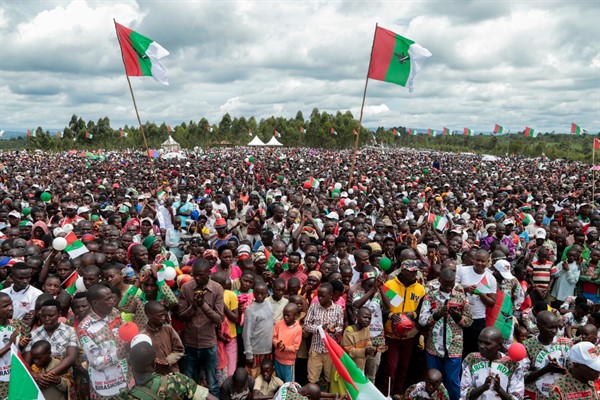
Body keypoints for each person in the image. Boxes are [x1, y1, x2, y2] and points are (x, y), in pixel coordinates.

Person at [418, 269, 472, 400]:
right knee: (433, 379)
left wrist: (458, 317)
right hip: (433, 346)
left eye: (451, 283)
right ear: (439, 281)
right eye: (446, 283)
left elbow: (469, 321)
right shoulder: (430, 296)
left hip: (454, 347)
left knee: (453, 380)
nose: (449, 286)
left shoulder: (461, 297)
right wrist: (436, 315)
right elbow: (422, 320)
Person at [77, 284, 134, 399]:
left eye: (112, 297)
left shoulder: (115, 313)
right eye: (107, 299)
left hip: (126, 377)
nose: (113, 301)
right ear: (95, 303)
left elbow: (124, 333)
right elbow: (96, 362)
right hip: (105, 386)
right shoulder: (85, 328)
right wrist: (122, 351)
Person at [178, 258, 224, 397]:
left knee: (212, 384)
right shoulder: (186, 288)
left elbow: (219, 319)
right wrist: (193, 307)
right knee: (189, 384)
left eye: (201, 275)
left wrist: (203, 305)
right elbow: (181, 316)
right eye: (195, 274)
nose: (197, 278)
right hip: (190, 343)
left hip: (208, 343)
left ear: (209, 273)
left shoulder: (217, 289)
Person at [120, 336, 216, 400]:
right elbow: (207, 397)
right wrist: (168, 373)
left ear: (129, 363)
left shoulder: (124, 396)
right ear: (154, 363)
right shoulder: (177, 381)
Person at [383, 260, 425, 394]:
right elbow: (381, 307)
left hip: (409, 334)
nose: (414, 274)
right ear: (404, 271)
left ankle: (398, 393)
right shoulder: (389, 285)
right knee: (391, 367)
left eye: (415, 271)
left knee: (403, 366)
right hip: (391, 334)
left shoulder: (420, 289)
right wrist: (390, 315)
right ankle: (386, 393)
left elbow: (422, 311)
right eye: (411, 271)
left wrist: (412, 314)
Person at [460, 327, 524, 400]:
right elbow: (464, 392)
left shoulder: (512, 364)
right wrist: (483, 388)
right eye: (480, 341)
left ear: (499, 344)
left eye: (487, 343)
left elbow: (518, 397)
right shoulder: (471, 359)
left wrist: (499, 390)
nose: (481, 346)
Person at [522, 311, 572, 399]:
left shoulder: (565, 343)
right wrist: (546, 369)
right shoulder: (527, 346)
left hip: (561, 394)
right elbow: (522, 377)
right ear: (539, 326)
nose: (554, 331)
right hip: (537, 395)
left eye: (556, 327)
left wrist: (563, 370)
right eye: (550, 328)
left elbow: (573, 369)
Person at [456, 249, 497, 356]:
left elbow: (492, 302)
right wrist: (466, 289)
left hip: (478, 319)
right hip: (460, 316)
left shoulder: (491, 278)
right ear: (473, 259)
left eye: (483, 261)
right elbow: (452, 289)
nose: (480, 263)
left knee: (474, 348)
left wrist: (480, 294)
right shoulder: (462, 270)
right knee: (459, 347)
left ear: (488, 262)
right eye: (477, 260)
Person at [303, 282, 344, 388]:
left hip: (330, 351)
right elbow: (306, 325)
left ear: (330, 295)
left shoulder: (338, 309)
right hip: (316, 349)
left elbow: (340, 327)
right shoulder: (313, 307)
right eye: (318, 295)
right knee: (312, 379)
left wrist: (333, 330)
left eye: (322, 296)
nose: (319, 298)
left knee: (329, 379)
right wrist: (319, 329)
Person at [140, 301, 184, 374]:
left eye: (164, 315)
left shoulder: (168, 329)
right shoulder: (143, 336)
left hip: (173, 372)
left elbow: (179, 350)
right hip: (155, 376)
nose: (163, 318)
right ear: (149, 315)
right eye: (160, 316)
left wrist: (167, 361)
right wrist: (155, 362)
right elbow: (142, 360)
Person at [242, 281, 273, 378]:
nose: (259, 295)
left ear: (267, 293)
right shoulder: (250, 310)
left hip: (268, 350)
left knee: (266, 377)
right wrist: (249, 354)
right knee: (254, 377)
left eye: (263, 293)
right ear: (253, 293)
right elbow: (246, 334)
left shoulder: (268, 303)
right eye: (257, 293)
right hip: (255, 351)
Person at [272, 303, 302, 383]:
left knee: (288, 384)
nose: (285, 317)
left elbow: (295, 347)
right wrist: (277, 343)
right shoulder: (279, 324)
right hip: (277, 359)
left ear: (295, 316)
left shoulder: (298, 329)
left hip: (288, 362)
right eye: (284, 315)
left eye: (288, 315)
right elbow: (274, 337)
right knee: (278, 382)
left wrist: (285, 348)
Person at [341, 307, 375, 372]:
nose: (367, 320)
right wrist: (364, 351)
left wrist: (371, 348)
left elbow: (368, 342)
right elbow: (348, 351)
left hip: (360, 367)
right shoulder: (349, 331)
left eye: (369, 318)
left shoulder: (366, 328)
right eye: (365, 317)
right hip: (349, 368)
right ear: (357, 316)